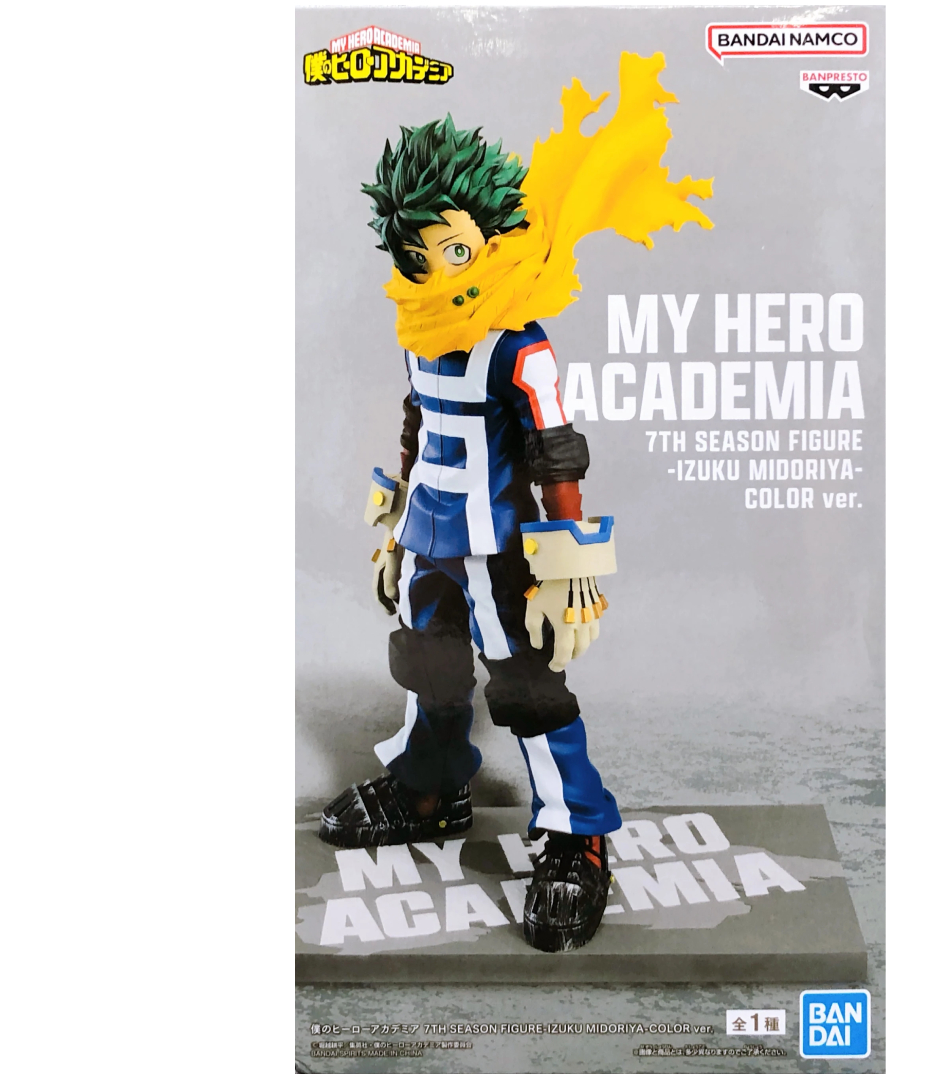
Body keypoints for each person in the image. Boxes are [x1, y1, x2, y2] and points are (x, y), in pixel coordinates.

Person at [318, 54, 713, 954]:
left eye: (455, 248)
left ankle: (576, 831)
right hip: (429, 534)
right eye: (419, 252)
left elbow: (555, 453)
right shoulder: (419, 329)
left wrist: (570, 568)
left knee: (528, 690)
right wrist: (394, 529)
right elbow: (418, 423)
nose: (437, 267)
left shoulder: (517, 345)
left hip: (499, 544)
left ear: (492, 239)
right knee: (426, 666)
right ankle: (429, 786)